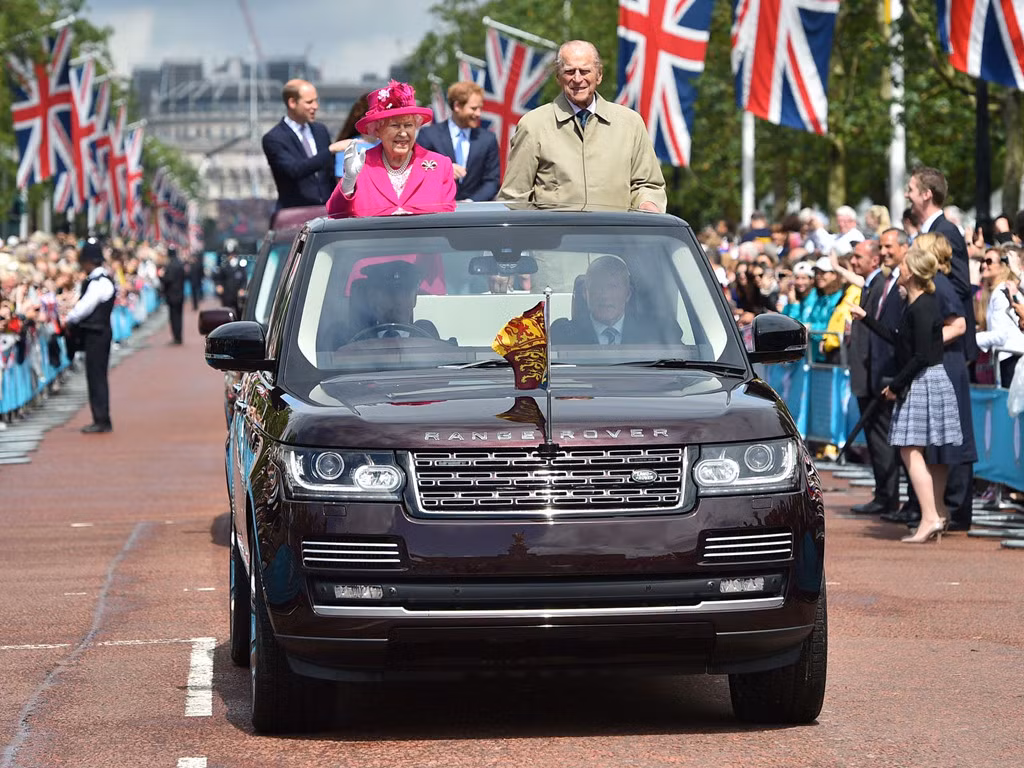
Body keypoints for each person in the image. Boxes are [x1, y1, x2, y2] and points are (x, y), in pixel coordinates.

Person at [850, 247, 963, 544]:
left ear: (912, 272)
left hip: (923, 380)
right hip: (925, 378)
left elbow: (921, 355)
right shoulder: (917, 305)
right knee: (931, 450)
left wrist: (896, 385)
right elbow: (901, 341)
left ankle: (930, 516)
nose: (898, 269)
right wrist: (866, 319)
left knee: (909, 449)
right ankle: (936, 513)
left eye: (902, 266)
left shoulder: (923, 306)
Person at [498, 40, 666, 212]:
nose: (577, 79)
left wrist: (648, 205)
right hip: (555, 236)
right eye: (569, 71)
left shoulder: (631, 124)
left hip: (615, 235)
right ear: (558, 77)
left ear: (599, 75)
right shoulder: (533, 125)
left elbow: (648, 185)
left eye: (585, 71)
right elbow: (515, 198)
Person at [910, 232, 976, 532]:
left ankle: (937, 513)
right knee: (935, 446)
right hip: (942, 364)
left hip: (946, 366)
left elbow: (958, 324)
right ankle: (936, 513)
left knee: (936, 443)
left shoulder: (943, 286)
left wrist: (928, 344)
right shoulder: (935, 285)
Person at [327, 80, 456, 218]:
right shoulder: (362, 166)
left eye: (408, 125)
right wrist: (347, 184)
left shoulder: (441, 165)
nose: (403, 133)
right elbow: (335, 215)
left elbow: (447, 221)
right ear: (377, 130)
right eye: (395, 126)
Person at [262, 79, 346, 214]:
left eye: (316, 101)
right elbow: (294, 170)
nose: (315, 106)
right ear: (292, 103)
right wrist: (330, 150)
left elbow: (329, 172)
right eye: (309, 102)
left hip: (326, 213)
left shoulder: (320, 131)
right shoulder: (274, 138)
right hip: (295, 214)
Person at [416, 81, 500, 201]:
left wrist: (470, 202)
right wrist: (443, 169)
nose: (478, 113)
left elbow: (492, 181)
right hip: (438, 211)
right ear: (457, 106)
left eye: (480, 108)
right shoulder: (429, 135)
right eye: (474, 108)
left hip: (476, 213)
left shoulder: (488, 139)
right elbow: (417, 170)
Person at [64, 239, 115, 433]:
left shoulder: (98, 282)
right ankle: (100, 417)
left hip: (97, 333)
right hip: (97, 332)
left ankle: (101, 419)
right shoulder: (98, 280)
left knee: (96, 376)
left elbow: (84, 307)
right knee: (95, 375)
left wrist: (70, 318)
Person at [550, 256, 659, 344]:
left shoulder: (654, 334)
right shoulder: (561, 336)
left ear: (628, 294)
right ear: (585, 293)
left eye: (613, 287)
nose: (605, 295)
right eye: (597, 286)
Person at [976, 245, 1024, 387]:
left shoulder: (1002, 291)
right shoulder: (997, 291)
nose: (984, 265)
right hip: (1008, 358)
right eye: (983, 262)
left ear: (1002, 266)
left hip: (1011, 358)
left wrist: (971, 339)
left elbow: (1000, 335)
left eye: (989, 261)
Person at [158, 245, 186, 345]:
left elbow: (168, 279)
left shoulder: (170, 265)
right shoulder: (180, 264)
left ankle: (176, 337)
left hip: (172, 294)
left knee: (174, 317)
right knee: (179, 316)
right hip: (180, 293)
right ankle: (179, 336)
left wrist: (161, 276)